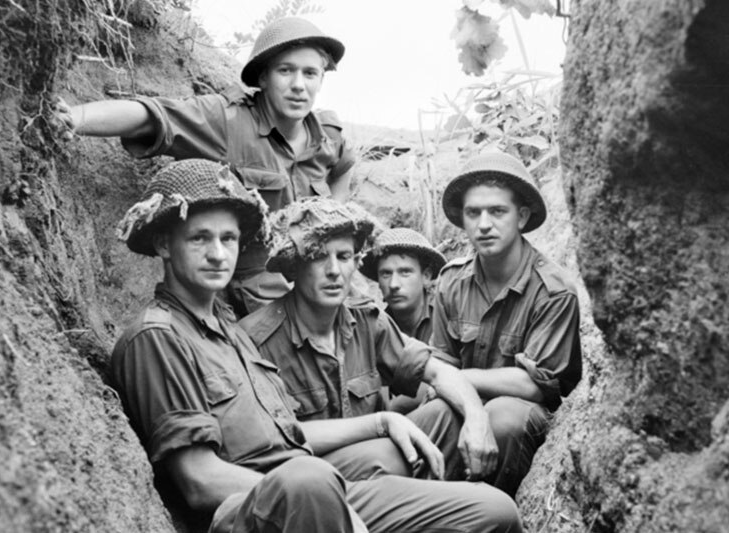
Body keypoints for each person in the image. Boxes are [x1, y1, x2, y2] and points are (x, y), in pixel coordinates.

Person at [109, 159, 522, 533]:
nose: (218, 254)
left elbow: (289, 435)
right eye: (200, 238)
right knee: (310, 479)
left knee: (494, 511)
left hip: (308, 475)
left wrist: (382, 423)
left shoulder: (226, 329)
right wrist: (333, 499)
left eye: (229, 239)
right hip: (262, 505)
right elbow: (200, 482)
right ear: (164, 244)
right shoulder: (158, 337)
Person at [55, 17, 355, 316]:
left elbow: (343, 168)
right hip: (254, 297)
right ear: (263, 77)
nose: (298, 85)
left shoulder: (327, 135)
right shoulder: (228, 120)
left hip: (314, 283)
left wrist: (331, 222)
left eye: (310, 73)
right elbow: (152, 115)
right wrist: (76, 118)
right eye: (285, 71)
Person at [238, 198, 500, 483]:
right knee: (390, 459)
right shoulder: (256, 340)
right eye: (318, 256)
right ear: (293, 267)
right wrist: (379, 424)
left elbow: (438, 372)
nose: (334, 271)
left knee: (449, 414)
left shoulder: (366, 319)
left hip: (381, 465)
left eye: (344, 256)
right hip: (314, 483)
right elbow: (271, 438)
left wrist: (477, 417)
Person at [431, 151, 583, 497]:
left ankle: (491, 514)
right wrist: (460, 394)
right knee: (429, 411)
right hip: (467, 405)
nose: (484, 224)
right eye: (473, 213)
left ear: (521, 217)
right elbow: (439, 365)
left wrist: (461, 380)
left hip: (527, 420)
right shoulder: (451, 281)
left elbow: (534, 387)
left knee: (503, 416)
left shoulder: (553, 290)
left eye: (497, 211)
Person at [359, 227, 446, 413]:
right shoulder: (373, 328)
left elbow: (451, 376)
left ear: (426, 276)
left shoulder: (446, 316)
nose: (394, 284)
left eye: (405, 272)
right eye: (386, 274)